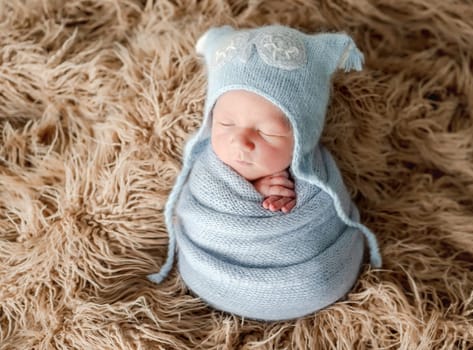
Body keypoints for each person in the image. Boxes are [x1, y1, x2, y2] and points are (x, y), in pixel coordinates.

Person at [148, 25, 382, 321]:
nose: (241, 141)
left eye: (266, 131)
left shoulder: (317, 175)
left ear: (302, 135)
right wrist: (250, 190)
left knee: (317, 281)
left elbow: (324, 215)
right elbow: (201, 204)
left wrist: (289, 199)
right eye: (226, 124)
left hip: (306, 277)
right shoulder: (208, 168)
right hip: (212, 270)